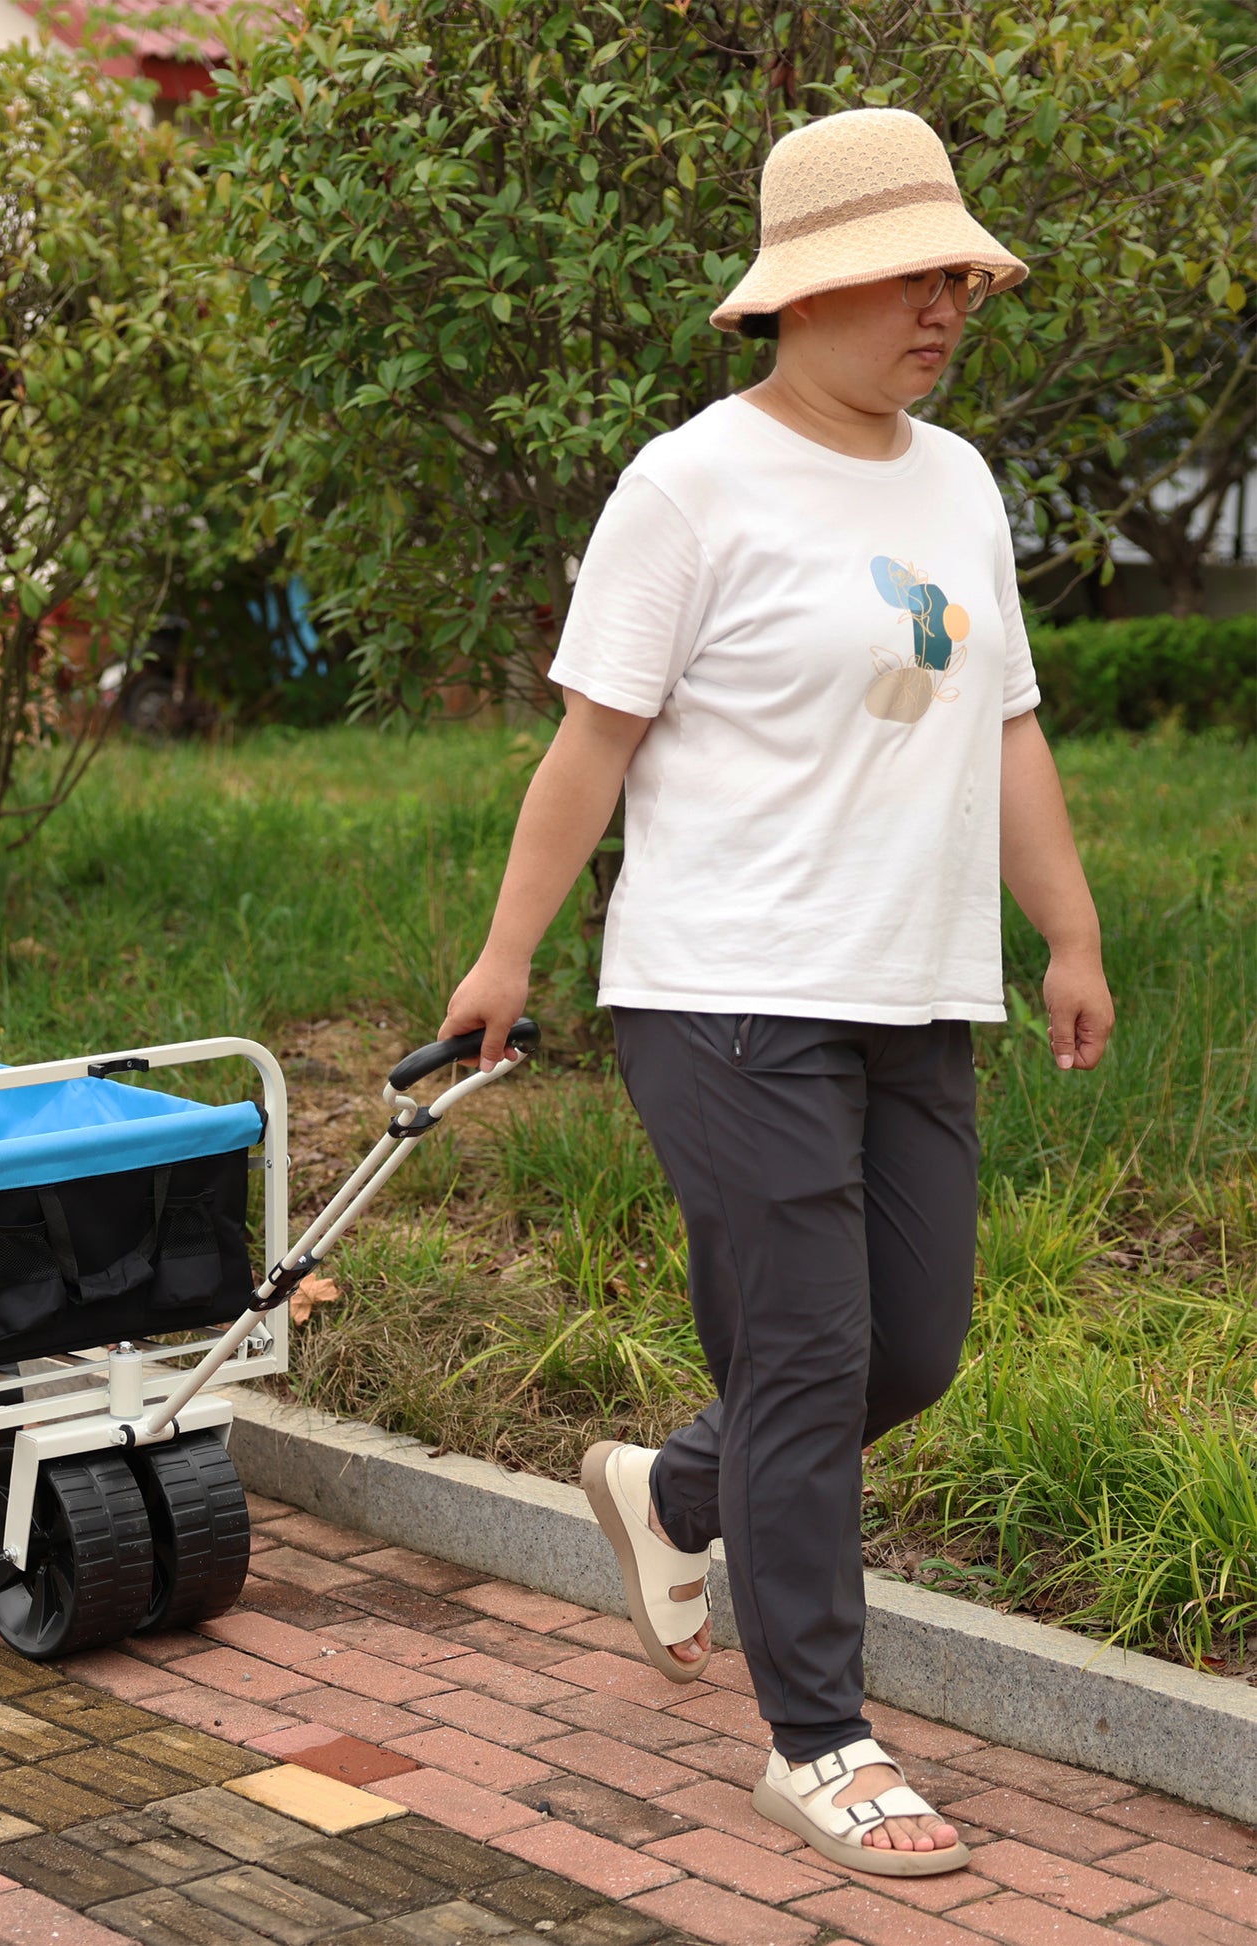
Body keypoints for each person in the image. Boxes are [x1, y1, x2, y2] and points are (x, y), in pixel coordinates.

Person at [439, 107, 1114, 1879]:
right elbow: (592, 747)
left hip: (912, 987)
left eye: (958, 274)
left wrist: (1068, 932)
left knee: (912, 1340)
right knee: (809, 1350)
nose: (946, 303)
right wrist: (507, 957)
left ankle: (671, 1492)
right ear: (803, 292)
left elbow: (1009, 724)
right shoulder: (689, 484)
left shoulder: (957, 480)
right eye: (914, 273)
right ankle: (816, 1735)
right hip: (723, 991)